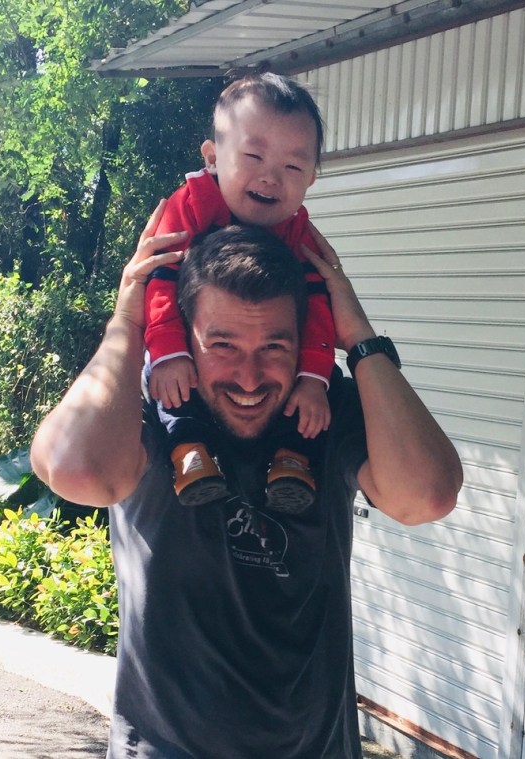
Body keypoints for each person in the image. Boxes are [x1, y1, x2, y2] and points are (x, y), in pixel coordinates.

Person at [30, 206, 464, 759]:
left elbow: (427, 493)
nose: (251, 377)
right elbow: (77, 468)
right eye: (224, 345)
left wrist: (357, 337)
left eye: (275, 347)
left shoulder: (325, 407)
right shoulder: (150, 403)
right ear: (184, 336)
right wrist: (130, 322)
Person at [145, 72, 333, 513]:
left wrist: (315, 376)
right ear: (212, 157)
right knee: (174, 384)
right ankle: (187, 453)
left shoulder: (300, 235)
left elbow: (321, 306)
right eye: (254, 157)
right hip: (187, 347)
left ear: (310, 180)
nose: (271, 179)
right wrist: (169, 352)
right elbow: (158, 281)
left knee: (301, 401)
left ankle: (291, 459)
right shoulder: (189, 206)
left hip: (273, 379)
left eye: (292, 167)